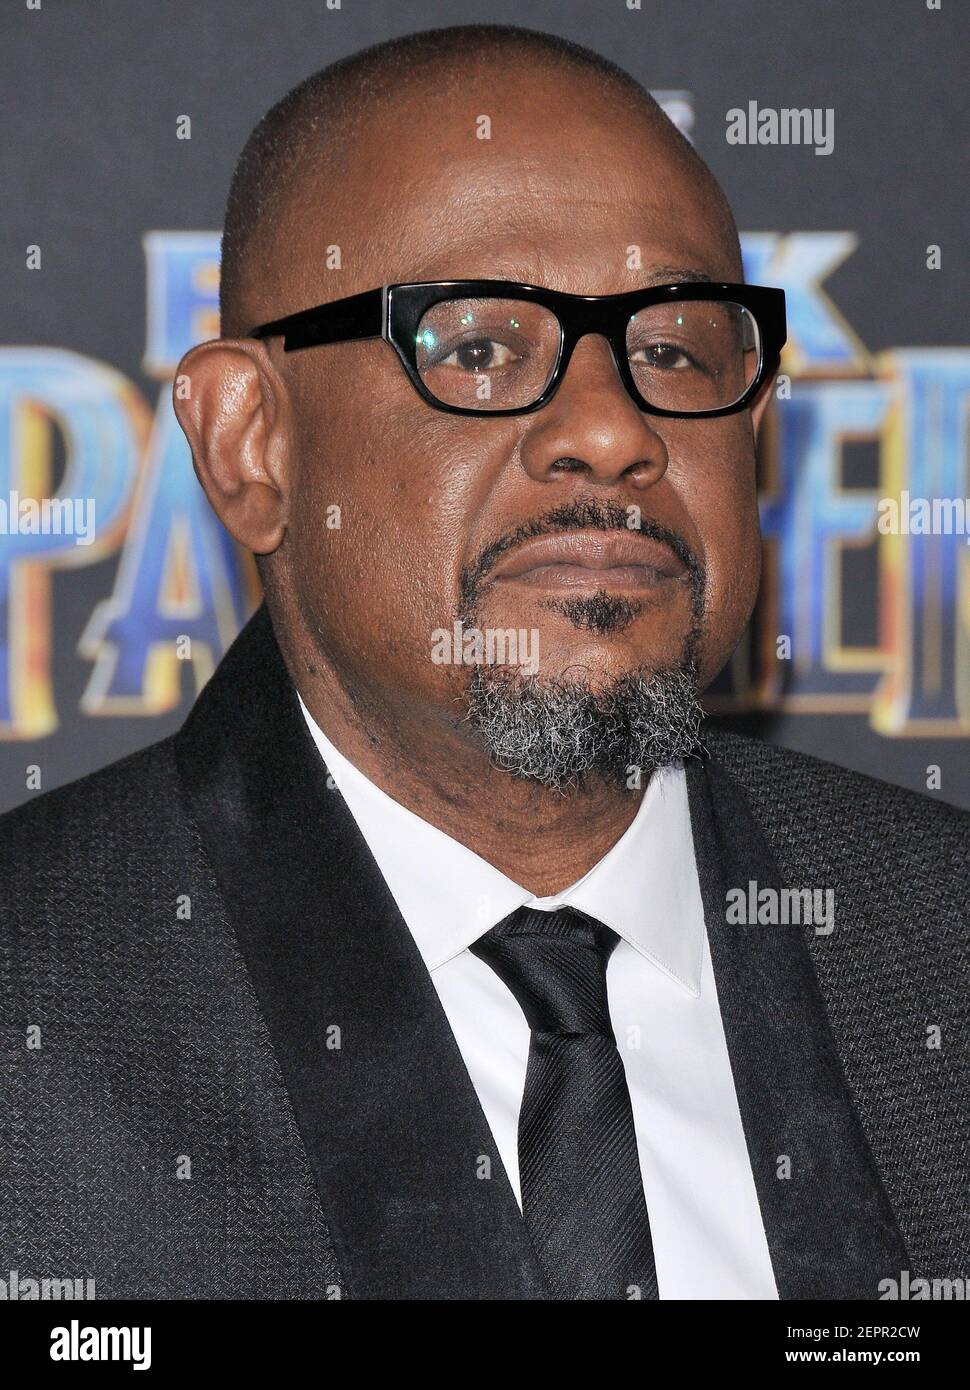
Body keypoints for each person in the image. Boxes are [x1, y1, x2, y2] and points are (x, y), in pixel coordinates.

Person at [2, 24, 966, 1301]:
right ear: (250, 444)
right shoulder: (40, 996)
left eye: (675, 348)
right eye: (477, 347)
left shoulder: (936, 936)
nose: (613, 430)